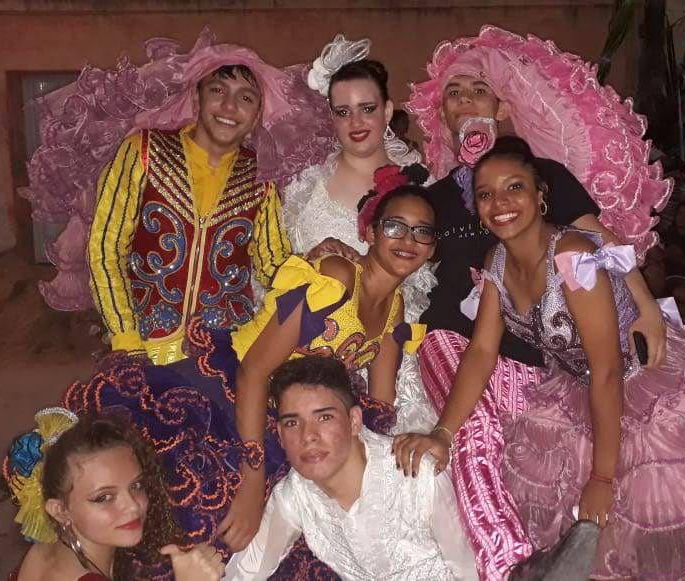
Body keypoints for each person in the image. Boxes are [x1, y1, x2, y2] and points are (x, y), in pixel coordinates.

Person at [394, 139, 685, 580]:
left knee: (656, 518)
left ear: (540, 195)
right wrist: (443, 432)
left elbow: (608, 370)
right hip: (577, 386)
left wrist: (602, 478)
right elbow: (480, 352)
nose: (500, 203)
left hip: (640, 386)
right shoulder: (496, 261)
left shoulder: (572, 255)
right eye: (486, 194)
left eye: (514, 187)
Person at [64, 172, 435, 577]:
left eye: (423, 232)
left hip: (289, 418)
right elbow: (255, 371)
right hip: (231, 395)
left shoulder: (395, 311)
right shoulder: (336, 277)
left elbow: (377, 411)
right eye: (395, 226)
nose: (408, 240)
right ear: (371, 232)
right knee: (203, 514)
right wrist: (252, 481)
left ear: (432, 247)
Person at [403, 26, 671, 578]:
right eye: (454, 94)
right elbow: (478, 348)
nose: (499, 203)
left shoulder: (563, 231)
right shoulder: (479, 244)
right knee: (499, 442)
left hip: (596, 367)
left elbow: (606, 257)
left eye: (478, 90)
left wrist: (647, 307)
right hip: (527, 357)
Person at [23, 29, 333, 363]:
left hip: (226, 353)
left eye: (246, 98)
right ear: (197, 98)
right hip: (144, 347)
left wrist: (318, 266)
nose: (230, 106)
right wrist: (126, 338)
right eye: (218, 91)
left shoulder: (260, 177)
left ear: (258, 113)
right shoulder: (145, 151)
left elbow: (272, 263)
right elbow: (105, 248)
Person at [279, 35, 437, 434]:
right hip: (313, 354)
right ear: (331, 118)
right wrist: (309, 263)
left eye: (367, 109)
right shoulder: (304, 190)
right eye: (343, 112)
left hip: (400, 354)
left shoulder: (424, 190)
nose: (356, 123)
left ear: (387, 111)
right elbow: (276, 277)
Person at [224, 356, 477, 580]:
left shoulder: (415, 474)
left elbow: (471, 570)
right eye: (292, 423)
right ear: (280, 435)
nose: (308, 436)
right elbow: (246, 571)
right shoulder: (295, 495)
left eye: (324, 417)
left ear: (354, 421)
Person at [4, 409, 224, 580]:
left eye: (136, 485)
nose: (133, 506)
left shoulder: (44, 550)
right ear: (60, 510)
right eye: (104, 497)